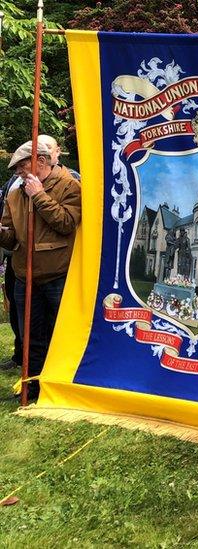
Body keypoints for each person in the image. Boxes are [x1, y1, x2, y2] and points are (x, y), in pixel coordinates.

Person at [0, 140, 81, 401]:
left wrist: (39, 196)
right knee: (29, 337)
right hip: (25, 276)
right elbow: (11, 237)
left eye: (22, 168)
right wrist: (2, 235)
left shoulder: (70, 185)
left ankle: (62, 385)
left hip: (58, 275)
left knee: (61, 333)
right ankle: (32, 386)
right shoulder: (15, 194)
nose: (18, 174)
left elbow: (67, 223)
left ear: (42, 162)